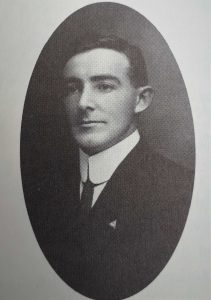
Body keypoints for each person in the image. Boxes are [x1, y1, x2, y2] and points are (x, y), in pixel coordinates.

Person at [24, 35, 194, 300]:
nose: (83, 103)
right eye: (72, 88)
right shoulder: (39, 189)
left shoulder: (181, 191)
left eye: (104, 86)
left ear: (142, 99)